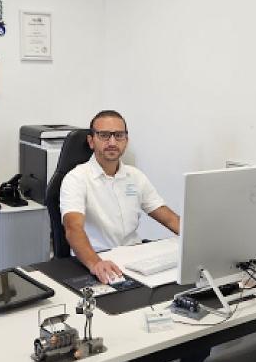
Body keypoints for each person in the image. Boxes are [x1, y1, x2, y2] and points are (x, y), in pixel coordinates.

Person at [60, 110, 180, 284]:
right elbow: (73, 228)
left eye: (119, 135)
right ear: (91, 141)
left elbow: (169, 218)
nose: (112, 142)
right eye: (104, 135)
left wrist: (199, 241)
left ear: (126, 141)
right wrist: (96, 263)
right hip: (96, 260)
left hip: (134, 259)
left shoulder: (135, 176)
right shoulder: (76, 179)